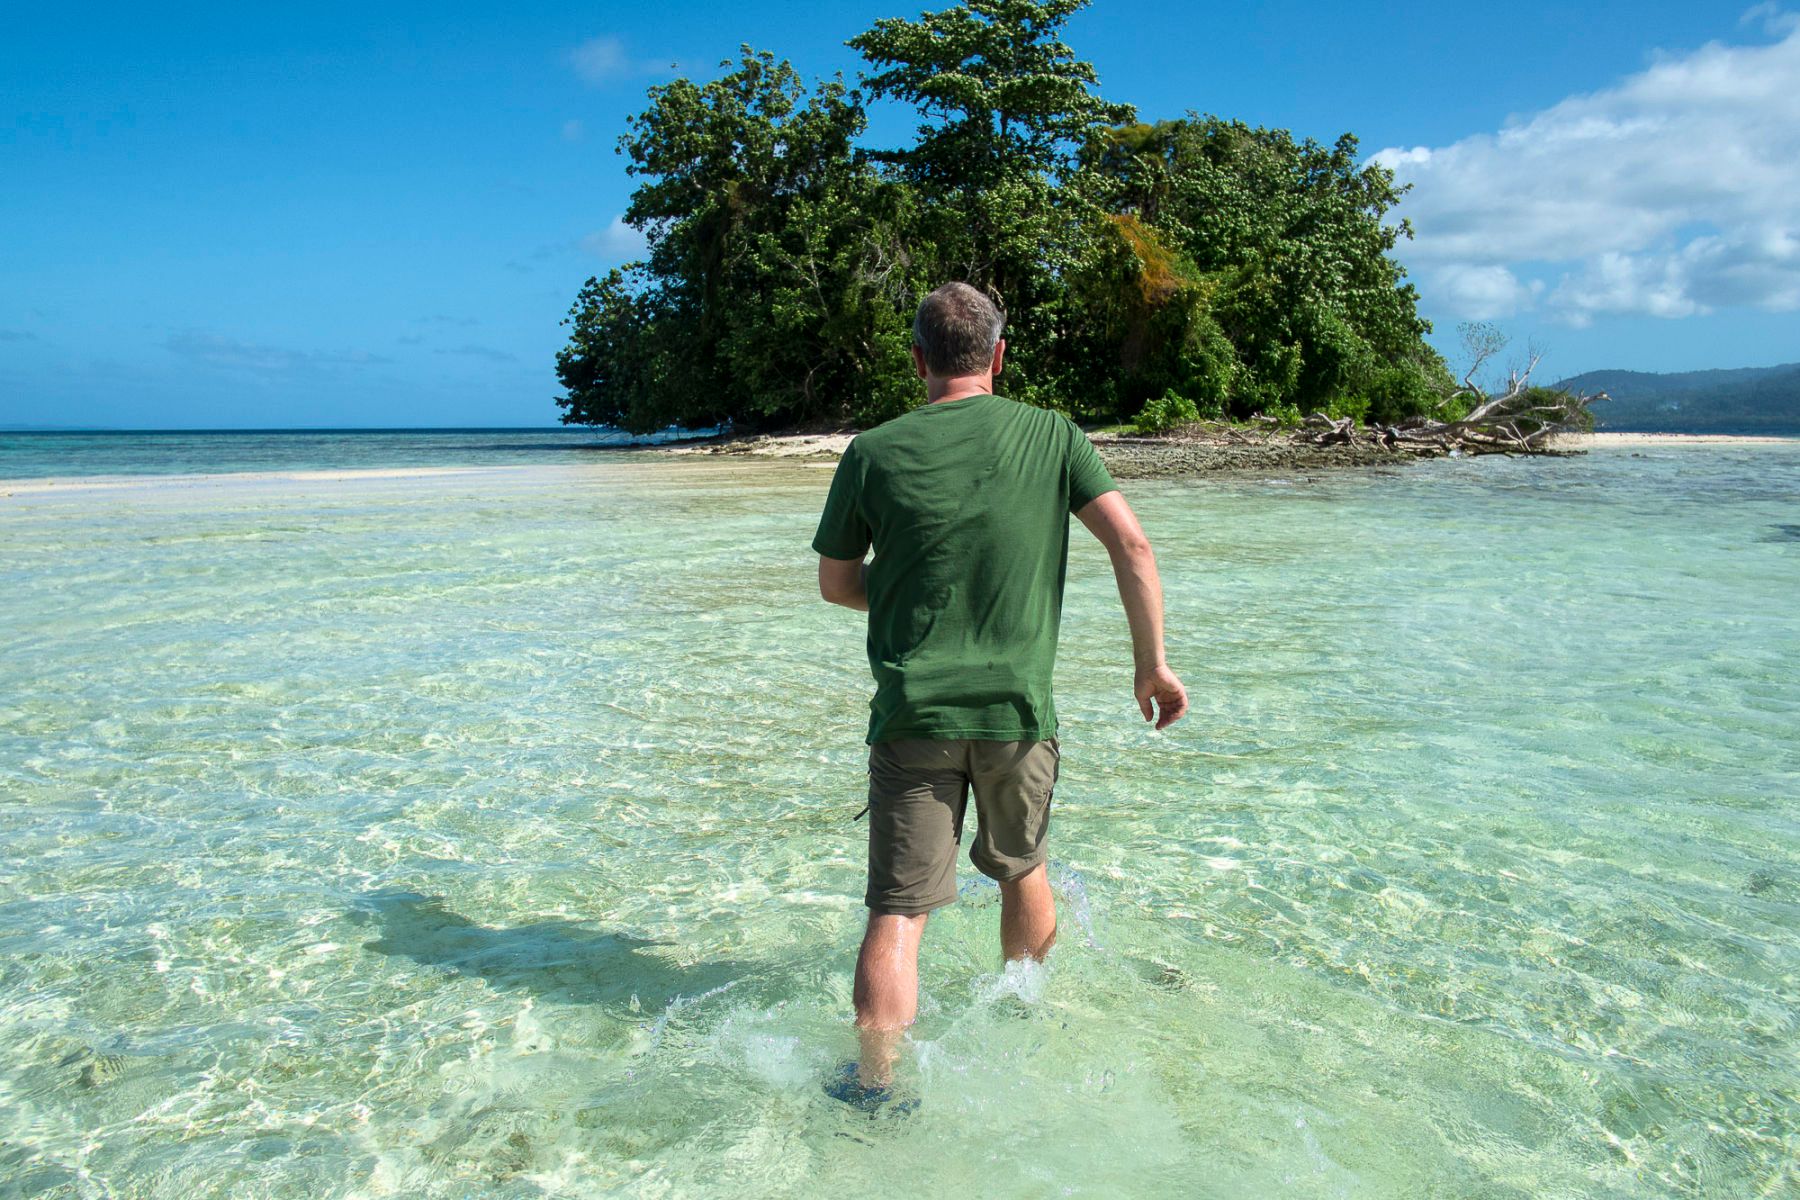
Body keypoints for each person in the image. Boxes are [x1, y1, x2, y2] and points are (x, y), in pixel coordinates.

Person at [811, 281, 1187, 1110]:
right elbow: (1133, 543)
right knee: (1023, 871)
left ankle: (878, 1088)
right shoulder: (1053, 436)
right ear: (998, 356)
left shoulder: (872, 452)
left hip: (914, 717)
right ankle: (1020, 1025)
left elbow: (838, 585)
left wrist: (914, 592)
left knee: (899, 912)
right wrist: (1150, 665)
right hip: (1019, 715)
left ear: (917, 360)